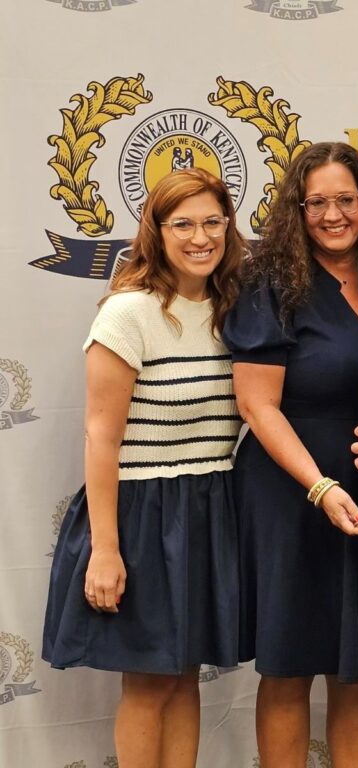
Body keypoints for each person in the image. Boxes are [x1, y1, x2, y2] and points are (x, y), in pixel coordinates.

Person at [223, 142, 358, 768]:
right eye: (317, 202)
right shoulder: (269, 284)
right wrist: (319, 487)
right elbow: (258, 405)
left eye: (346, 199)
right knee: (288, 668)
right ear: (296, 208)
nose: (333, 214)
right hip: (291, 495)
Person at [43, 168, 246, 768]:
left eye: (212, 221)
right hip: (143, 512)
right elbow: (100, 438)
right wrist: (106, 549)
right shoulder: (128, 313)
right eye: (182, 223)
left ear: (229, 226)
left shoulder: (232, 307)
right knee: (150, 681)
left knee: (184, 675)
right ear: (156, 232)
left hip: (210, 503)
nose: (199, 236)